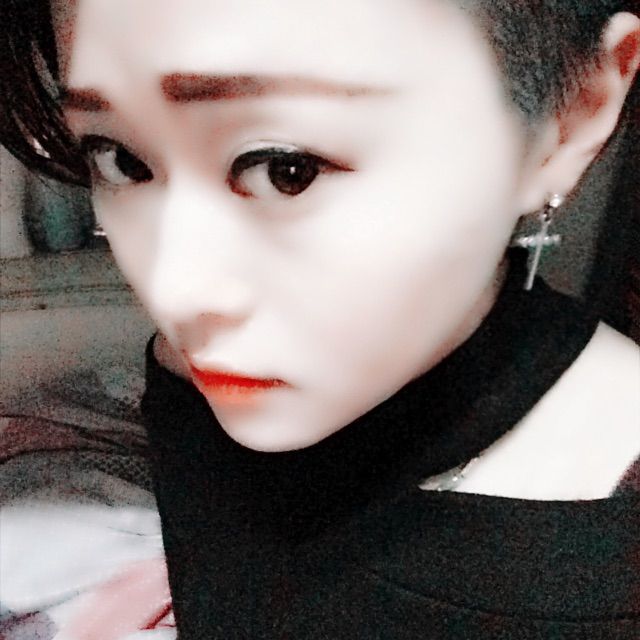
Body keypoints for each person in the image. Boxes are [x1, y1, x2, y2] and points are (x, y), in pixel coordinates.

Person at [1, 0, 639, 637]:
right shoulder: (206, 381)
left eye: (287, 170)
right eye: (120, 159)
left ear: (573, 114)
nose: (175, 293)